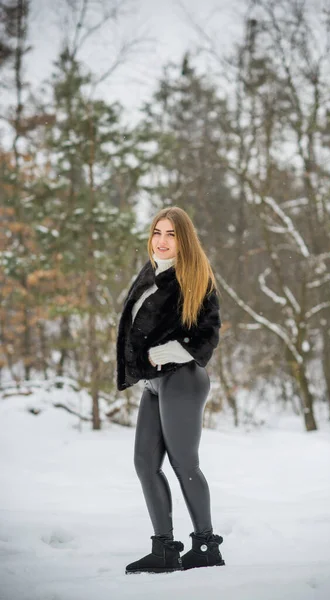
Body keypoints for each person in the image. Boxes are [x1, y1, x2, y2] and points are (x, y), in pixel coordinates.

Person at [116, 206, 225, 574]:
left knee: (184, 463)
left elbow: (208, 332)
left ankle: (206, 546)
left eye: (171, 234)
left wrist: (176, 350)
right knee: (145, 462)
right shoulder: (151, 274)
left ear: (184, 240)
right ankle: (164, 549)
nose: (162, 241)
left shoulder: (195, 276)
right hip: (155, 383)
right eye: (157, 232)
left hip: (182, 379)